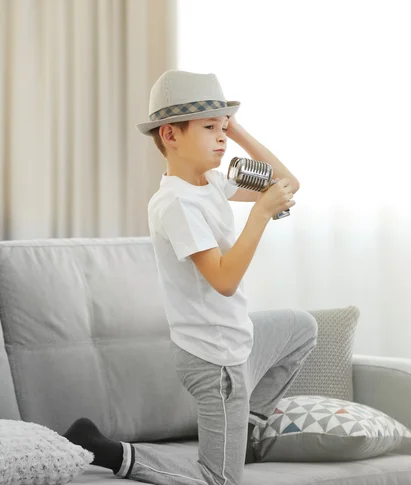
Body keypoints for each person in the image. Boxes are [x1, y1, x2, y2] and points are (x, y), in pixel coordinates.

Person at [63, 69, 318, 485]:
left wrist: (237, 130)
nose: (221, 138)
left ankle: (246, 428)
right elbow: (223, 280)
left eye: (223, 128)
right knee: (221, 479)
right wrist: (259, 215)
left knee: (301, 329)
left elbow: (287, 183)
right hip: (215, 359)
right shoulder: (176, 204)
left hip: (236, 339)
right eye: (209, 128)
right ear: (170, 135)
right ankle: (108, 450)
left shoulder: (211, 183)